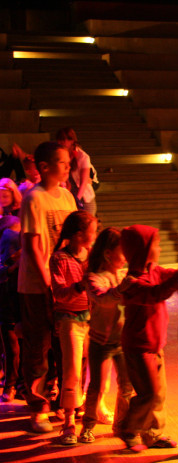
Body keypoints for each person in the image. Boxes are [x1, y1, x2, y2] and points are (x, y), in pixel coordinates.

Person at [18, 141, 77, 433]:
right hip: (37, 286)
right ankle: (37, 407)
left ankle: (63, 401)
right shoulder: (33, 198)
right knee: (38, 346)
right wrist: (47, 284)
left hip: (64, 283)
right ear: (44, 167)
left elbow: (74, 237)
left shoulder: (67, 196)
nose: (68, 167)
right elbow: (31, 245)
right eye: (62, 162)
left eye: (68, 162)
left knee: (65, 344)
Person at [117, 225, 178, 451]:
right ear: (143, 249)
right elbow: (156, 294)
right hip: (138, 346)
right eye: (156, 244)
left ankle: (153, 434)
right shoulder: (132, 282)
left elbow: (172, 276)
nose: (160, 248)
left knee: (159, 395)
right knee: (149, 393)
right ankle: (129, 429)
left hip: (155, 344)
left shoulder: (154, 270)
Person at [80, 227, 134, 443]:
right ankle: (87, 426)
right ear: (108, 253)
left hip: (123, 339)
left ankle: (121, 425)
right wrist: (123, 289)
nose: (126, 255)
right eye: (123, 250)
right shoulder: (93, 278)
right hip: (100, 340)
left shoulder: (123, 275)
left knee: (127, 385)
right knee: (97, 385)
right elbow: (103, 299)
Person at [49, 210, 98, 445]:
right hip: (69, 318)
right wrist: (80, 285)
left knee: (93, 367)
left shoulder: (92, 255)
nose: (95, 235)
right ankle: (68, 422)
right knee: (72, 370)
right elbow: (59, 293)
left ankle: (89, 410)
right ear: (79, 234)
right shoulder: (59, 258)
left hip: (92, 318)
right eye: (92, 231)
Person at [0, 215, 21, 402]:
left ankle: (15, 384)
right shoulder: (8, 262)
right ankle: (11, 384)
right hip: (8, 307)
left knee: (15, 347)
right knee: (11, 347)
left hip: (19, 303)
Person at [56, 127, 98, 216]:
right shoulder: (61, 156)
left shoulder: (83, 157)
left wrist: (76, 200)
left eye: (63, 139)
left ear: (72, 140)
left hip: (84, 199)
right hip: (68, 196)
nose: (60, 142)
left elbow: (84, 182)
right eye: (59, 140)